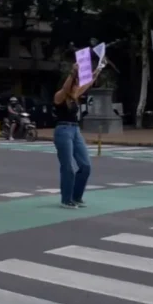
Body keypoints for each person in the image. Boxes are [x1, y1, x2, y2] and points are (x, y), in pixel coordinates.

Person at [54, 61, 100, 208]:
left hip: (75, 130)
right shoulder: (60, 96)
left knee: (85, 166)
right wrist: (73, 72)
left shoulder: (75, 95)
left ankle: (76, 197)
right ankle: (66, 200)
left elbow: (89, 82)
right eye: (76, 83)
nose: (78, 85)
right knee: (67, 166)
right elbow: (65, 87)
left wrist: (98, 69)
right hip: (63, 131)